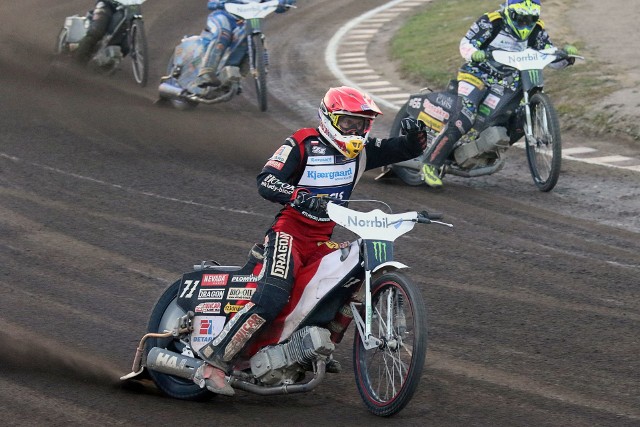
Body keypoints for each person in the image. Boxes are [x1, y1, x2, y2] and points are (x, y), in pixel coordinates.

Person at [193, 86, 429, 395]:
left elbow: (404, 150)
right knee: (273, 297)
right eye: (348, 123)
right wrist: (299, 196)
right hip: (288, 233)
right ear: (329, 118)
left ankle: (320, 345)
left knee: (355, 278)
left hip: (322, 241)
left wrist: (416, 137)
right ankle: (214, 360)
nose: (355, 130)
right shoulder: (302, 143)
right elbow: (265, 180)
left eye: (361, 124)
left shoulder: (363, 151)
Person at [420, 0, 578, 187]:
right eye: (520, 18)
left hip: (508, 82)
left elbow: (549, 57)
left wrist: (566, 57)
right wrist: (474, 54)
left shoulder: (537, 30)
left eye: (531, 19)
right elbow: (466, 44)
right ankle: (430, 163)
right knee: (466, 114)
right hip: (477, 75)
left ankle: (486, 148)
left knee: (519, 116)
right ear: (510, 13)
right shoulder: (491, 21)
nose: (526, 24)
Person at [197, 0, 296, 87]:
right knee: (223, 34)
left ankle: (235, 78)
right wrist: (217, 3)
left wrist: (285, 2)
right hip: (224, 15)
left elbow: (279, 6)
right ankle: (206, 72)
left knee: (250, 42)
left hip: (249, 20)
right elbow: (212, 3)